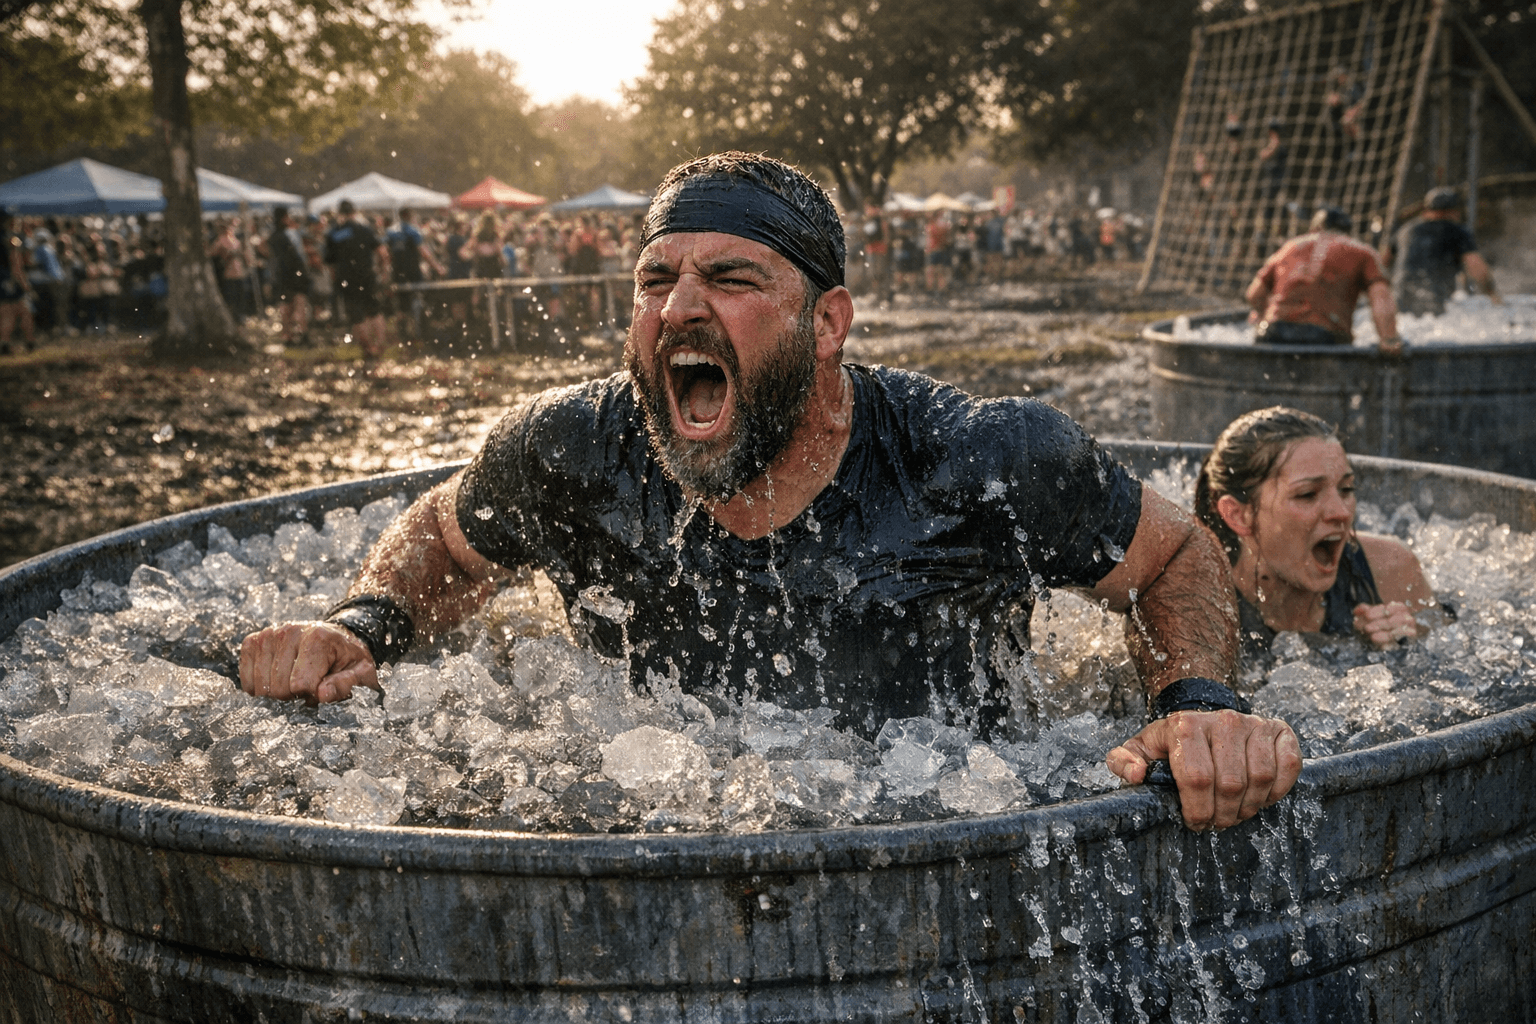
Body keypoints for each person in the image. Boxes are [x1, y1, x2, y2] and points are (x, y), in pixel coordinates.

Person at [240, 152, 1300, 832]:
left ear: (827, 324)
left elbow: (1176, 553)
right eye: (656, 281)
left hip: (951, 824)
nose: (677, 310)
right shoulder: (571, 449)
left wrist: (1197, 705)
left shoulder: (981, 459)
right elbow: (443, 532)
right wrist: (362, 624)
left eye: (731, 280)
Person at [1194, 406, 1441, 662]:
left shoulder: (1391, 571)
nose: (1341, 512)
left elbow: (1451, 663)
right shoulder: (1197, 608)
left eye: (1346, 489)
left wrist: (1406, 651)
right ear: (1238, 515)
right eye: (1307, 494)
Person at [1245, 207, 1404, 355]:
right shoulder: (1363, 253)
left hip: (1273, 333)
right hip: (1324, 338)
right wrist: (1389, 339)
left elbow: (1254, 295)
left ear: (1314, 228)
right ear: (1348, 231)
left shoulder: (1288, 248)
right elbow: (1381, 298)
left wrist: (1262, 315)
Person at [1388, 187, 1501, 316]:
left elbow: (1383, 261)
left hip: (1398, 302)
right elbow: (1477, 268)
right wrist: (1493, 295)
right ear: (1453, 211)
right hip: (1434, 304)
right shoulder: (1457, 231)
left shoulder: (1405, 229)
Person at [323, 200, 390, 357]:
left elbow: (330, 264)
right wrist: (382, 271)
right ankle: (379, 346)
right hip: (367, 275)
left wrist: (336, 281)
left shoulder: (333, 234)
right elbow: (383, 253)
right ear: (354, 213)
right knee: (375, 311)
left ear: (339, 214)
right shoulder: (364, 229)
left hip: (346, 278)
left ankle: (368, 349)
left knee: (357, 316)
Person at [264, 207, 311, 346]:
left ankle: (287, 335)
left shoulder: (273, 236)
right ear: (284, 218)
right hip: (294, 274)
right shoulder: (289, 234)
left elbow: (270, 255)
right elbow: (297, 256)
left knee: (285, 306)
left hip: (281, 275)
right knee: (299, 303)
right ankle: (302, 333)